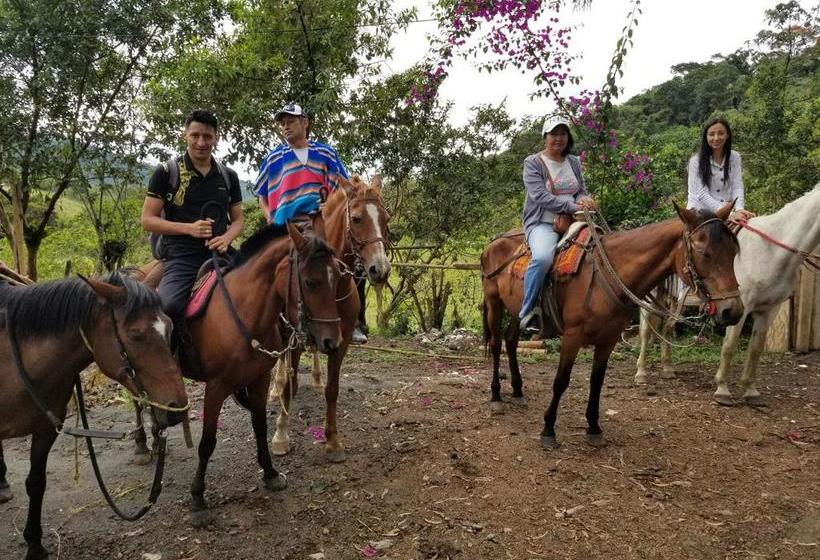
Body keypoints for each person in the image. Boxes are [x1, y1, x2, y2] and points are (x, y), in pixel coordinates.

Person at [254, 103, 368, 344]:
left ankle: (354, 322)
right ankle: (275, 324)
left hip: (320, 221)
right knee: (272, 269)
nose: (286, 126)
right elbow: (261, 194)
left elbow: (343, 186)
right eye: (283, 123)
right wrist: (268, 216)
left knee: (347, 261)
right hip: (285, 225)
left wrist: (330, 204)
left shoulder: (325, 153)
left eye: (291, 121)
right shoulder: (274, 158)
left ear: (305, 122)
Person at [141, 109, 244, 335]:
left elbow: (238, 220)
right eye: (195, 135)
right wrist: (189, 228)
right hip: (182, 254)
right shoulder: (166, 172)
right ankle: (172, 353)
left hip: (220, 251)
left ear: (216, 138)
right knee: (168, 307)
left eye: (207, 136)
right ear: (185, 135)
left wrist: (227, 238)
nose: (201, 142)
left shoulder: (228, 176)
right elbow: (147, 220)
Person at [519, 114, 596, 333]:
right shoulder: (533, 163)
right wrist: (572, 206)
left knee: (602, 248)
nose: (559, 138)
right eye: (554, 133)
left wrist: (585, 199)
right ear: (545, 136)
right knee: (543, 259)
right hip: (544, 223)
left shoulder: (574, 162)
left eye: (563, 133)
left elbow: (580, 190)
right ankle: (528, 312)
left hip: (575, 221)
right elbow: (539, 196)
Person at [687, 117, 754, 222]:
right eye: (711, 134)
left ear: (727, 135)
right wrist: (728, 213)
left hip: (726, 208)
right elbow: (701, 194)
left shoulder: (734, 157)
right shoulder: (696, 161)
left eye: (721, 133)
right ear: (706, 136)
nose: (716, 138)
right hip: (700, 212)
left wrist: (739, 209)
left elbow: (737, 185)